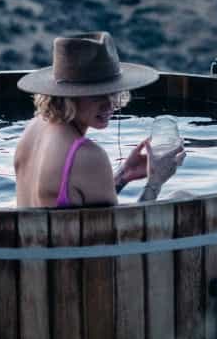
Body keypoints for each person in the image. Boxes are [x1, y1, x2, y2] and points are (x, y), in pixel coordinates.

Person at [14, 31, 185, 208]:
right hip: (82, 237)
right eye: (97, 95)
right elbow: (123, 231)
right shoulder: (87, 156)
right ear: (69, 96)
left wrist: (124, 175)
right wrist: (155, 182)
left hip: (35, 235)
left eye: (113, 91)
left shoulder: (34, 128)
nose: (110, 104)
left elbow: (79, 204)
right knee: (183, 197)